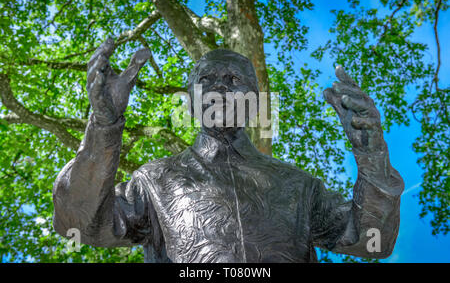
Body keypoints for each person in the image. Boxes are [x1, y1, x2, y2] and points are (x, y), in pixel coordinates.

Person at [53, 38, 404, 262]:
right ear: (190, 103)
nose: (219, 86)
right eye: (205, 80)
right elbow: (80, 224)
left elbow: (373, 243)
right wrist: (103, 129)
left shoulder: (299, 186)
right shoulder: (154, 181)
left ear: (254, 103)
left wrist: (372, 157)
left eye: (234, 80)